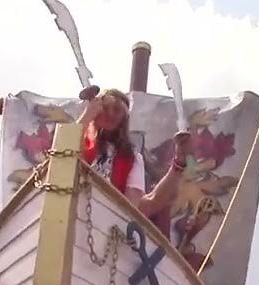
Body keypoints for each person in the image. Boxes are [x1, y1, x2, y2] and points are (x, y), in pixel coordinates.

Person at [76, 88, 190, 217]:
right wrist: (87, 115)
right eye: (105, 108)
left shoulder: (131, 159)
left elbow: (141, 206)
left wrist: (179, 163)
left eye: (117, 110)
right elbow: (61, 158)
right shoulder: (78, 142)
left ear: (124, 119)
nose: (110, 113)